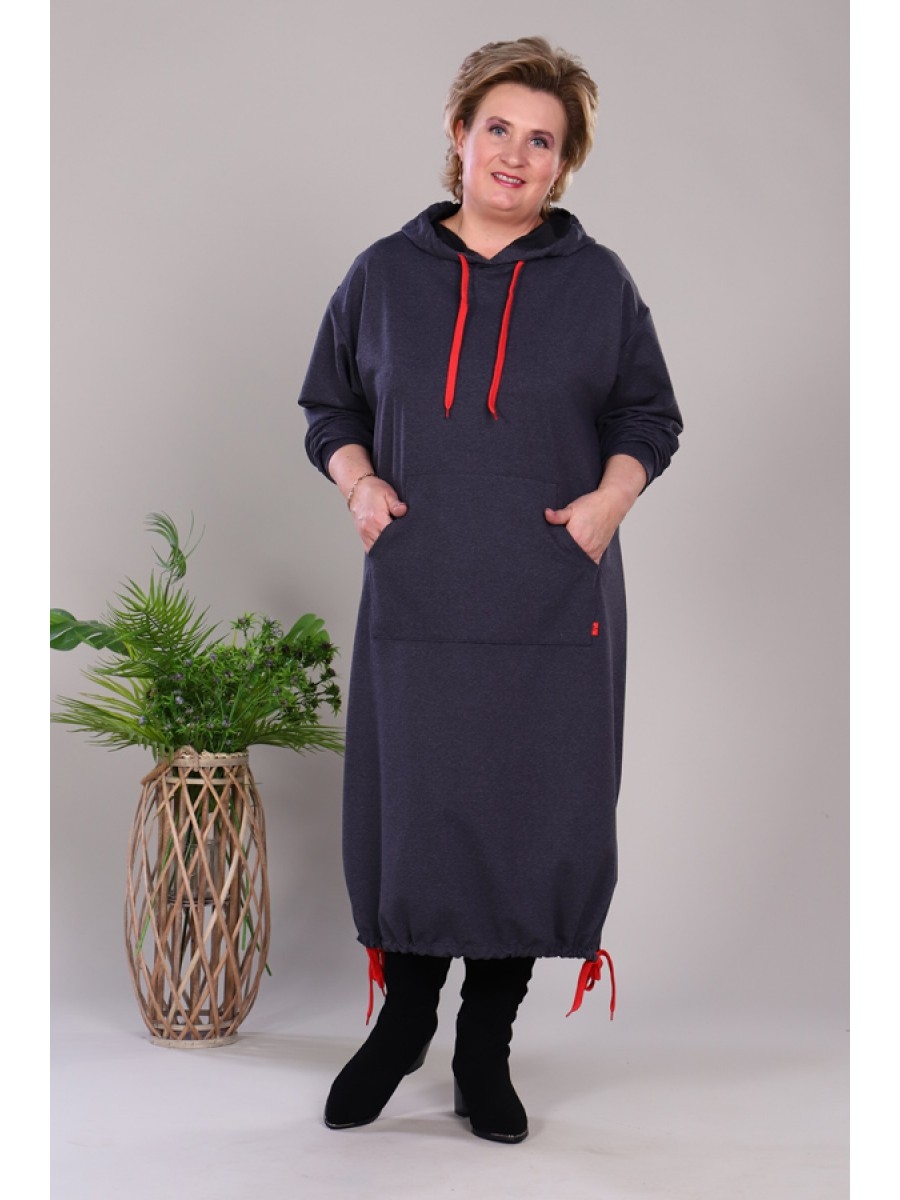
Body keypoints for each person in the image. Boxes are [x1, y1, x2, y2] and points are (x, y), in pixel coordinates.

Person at [298, 35, 682, 1143]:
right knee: (419, 801)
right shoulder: (382, 275)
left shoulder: (598, 284)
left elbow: (648, 416)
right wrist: (359, 482)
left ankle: (485, 1044)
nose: (516, 155)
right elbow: (330, 406)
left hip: (553, 592)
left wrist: (610, 501)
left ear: (565, 164)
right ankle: (404, 1022)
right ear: (459, 134)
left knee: (531, 804)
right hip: (420, 591)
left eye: (543, 141)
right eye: (499, 128)